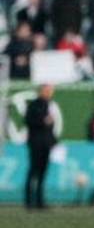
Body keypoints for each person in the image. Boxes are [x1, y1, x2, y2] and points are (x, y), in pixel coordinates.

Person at [24, 82, 56, 210]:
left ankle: (39, 201)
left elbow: (50, 129)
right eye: (47, 90)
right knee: (33, 171)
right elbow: (28, 121)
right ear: (41, 91)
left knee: (42, 172)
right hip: (36, 143)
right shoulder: (34, 105)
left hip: (45, 144)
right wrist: (43, 121)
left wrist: (53, 142)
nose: (50, 93)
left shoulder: (48, 105)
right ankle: (29, 201)